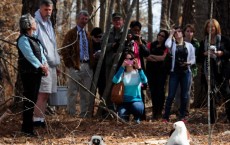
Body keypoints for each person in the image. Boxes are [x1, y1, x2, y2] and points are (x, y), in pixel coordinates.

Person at [17, 13, 48, 136]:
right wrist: (40, 66)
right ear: (28, 25)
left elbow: (41, 53)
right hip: (29, 73)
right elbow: (29, 55)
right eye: (34, 22)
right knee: (29, 100)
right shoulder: (23, 39)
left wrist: (45, 65)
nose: (36, 23)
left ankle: (28, 128)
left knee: (33, 99)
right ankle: (27, 129)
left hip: (37, 73)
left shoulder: (34, 38)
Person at [61, 10, 95, 117]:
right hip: (75, 66)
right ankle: (71, 113)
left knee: (86, 92)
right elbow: (64, 50)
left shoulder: (88, 35)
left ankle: (84, 114)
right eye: (82, 19)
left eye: (86, 19)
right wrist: (70, 64)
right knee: (73, 91)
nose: (84, 21)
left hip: (87, 66)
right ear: (77, 19)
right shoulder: (71, 33)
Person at [33, 0, 61, 127]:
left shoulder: (49, 23)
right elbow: (34, 45)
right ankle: (36, 120)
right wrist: (41, 63)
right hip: (43, 64)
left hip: (52, 64)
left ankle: (41, 119)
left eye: (50, 10)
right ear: (40, 9)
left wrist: (57, 64)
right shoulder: (35, 22)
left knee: (47, 94)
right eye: (46, 10)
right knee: (42, 93)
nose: (48, 12)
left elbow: (53, 46)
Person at [199, 19, 230, 123]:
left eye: (212, 26)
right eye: (208, 27)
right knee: (211, 94)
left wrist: (222, 53)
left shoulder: (224, 40)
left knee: (226, 92)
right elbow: (198, 58)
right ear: (206, 29)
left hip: (222, 71)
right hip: (209, 72)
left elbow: (229, 52)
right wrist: (204, 54)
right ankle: (212, 120)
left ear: (216, 28)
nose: (210, 28)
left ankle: (229, 117)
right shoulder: (203, 42)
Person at [163, 26, 196, 122]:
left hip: (186, 72)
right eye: (175, 32)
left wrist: (188, 63)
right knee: (171, 95)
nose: (177, 33)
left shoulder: (189, 46)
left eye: (179, 32)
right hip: (175, 73)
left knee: (185, 95)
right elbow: (167, 45)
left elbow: (193, 59)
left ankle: (182, 116)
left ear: (182, 34)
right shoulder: (172, 44)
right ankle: (166, 116)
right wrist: (170, 35)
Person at [112, 51, 148, 124]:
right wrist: (122, 67)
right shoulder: (122, 74)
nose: (129, 61)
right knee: (121, 116)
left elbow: (145, 81)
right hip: (124, 102)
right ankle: (126, 117)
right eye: (126, 59)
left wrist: (140, 68)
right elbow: (115, 80)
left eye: (131, 59)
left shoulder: (138, 72)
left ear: (134, 60)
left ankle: (137, 118)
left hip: (136, 100)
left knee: (137, 108)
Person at [173, 24, 200, 116]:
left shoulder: (196, 43)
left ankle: (185, 111)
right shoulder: (180, 41)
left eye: (191, 31)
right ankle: (177, 109)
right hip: (178, 69)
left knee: (186, 91)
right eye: (187, 31)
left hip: (190, 70)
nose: (189, 33)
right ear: (184, 32)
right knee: (178, 90)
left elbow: (197, 57)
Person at [145, 30, 169, 120]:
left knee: (160, 91)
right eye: (159, 35)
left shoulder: (166, 46)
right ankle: (154, 112)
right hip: (150, 71)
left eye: (163, 36)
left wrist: (152, 57)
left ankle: (159, 112)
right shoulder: (150, 44)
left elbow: (163, 58)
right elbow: (146, 56)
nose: (160, 37)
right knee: (153, 91)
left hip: (161, 71)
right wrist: (157, 58)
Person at [90, 27, 106, 99]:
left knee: (102, 91)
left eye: (100, 36)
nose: (98, 38)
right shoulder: (89, 45)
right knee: (91, 92)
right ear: (92, 36)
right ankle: (90, 109)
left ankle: (103, 109)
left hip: (102, 72)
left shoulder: (104, 44)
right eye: (96, 37)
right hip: (91, 72)